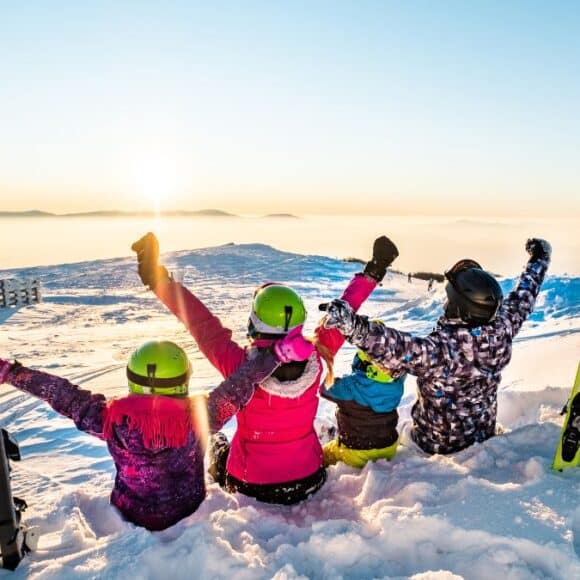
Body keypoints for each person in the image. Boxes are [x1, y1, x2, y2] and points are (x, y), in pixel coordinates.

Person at [132, 233, 398, 504]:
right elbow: (344, 312)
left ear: (255, 322)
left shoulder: (240, 367)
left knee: (218, 445)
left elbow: (201, 324)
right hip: (309, 477)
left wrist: (157, 279)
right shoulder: (318, 357)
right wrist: (374, 270)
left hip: (251, 483)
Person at [0, 332, 313, 530]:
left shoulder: (110, 418)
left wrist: (11, 373)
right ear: (182, 379)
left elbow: (60, 393)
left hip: (131, 513)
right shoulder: (200, 415)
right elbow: (240, 385)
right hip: (188, 508)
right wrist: (276, 356)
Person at [320, 238, 551, 455]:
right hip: (482, 434)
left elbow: (395, 347)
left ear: (460, 308)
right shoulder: (502, 329)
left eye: (450, 300)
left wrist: (352, 325)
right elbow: (523, 297)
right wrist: (539, 259)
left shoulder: (443, 350)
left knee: (401, 436)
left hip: (434, 444)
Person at [322, 340, 406, 468]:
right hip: (389, 448)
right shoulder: (396, 384)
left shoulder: (349, 386)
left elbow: (324, 388)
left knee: (323, 454)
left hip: (355, 452)